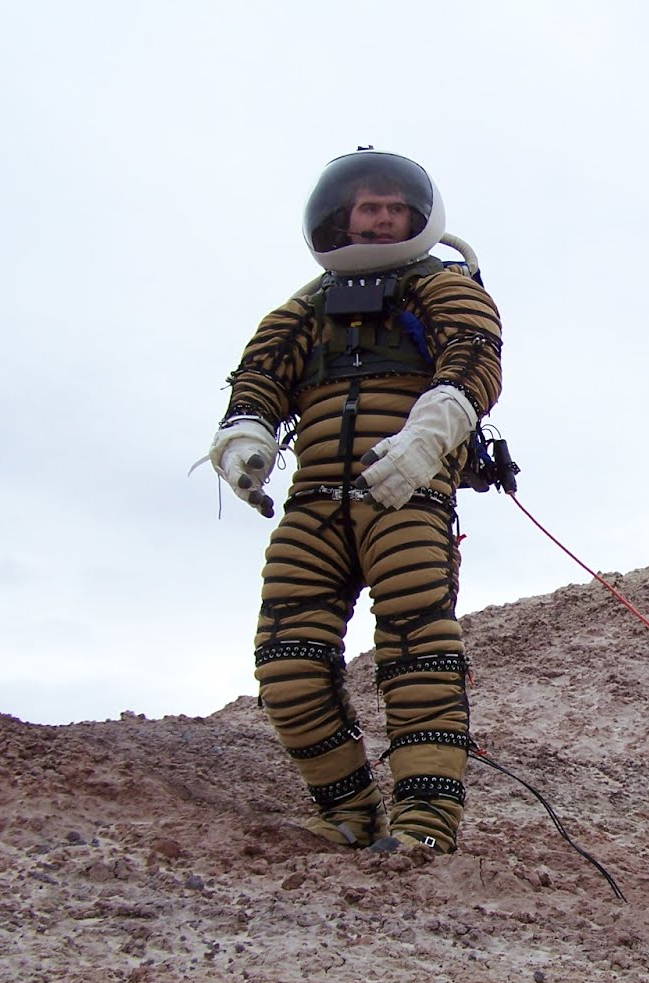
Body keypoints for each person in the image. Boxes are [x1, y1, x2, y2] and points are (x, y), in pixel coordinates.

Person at [207, 149, 503, 855]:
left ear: (416, 216)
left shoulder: (443, 286)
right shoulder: (303, 309)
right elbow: (258, 378)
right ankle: (347, 815)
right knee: (287, 661)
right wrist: (245, 436)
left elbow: (473, 358)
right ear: (344, 216)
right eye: (370, 207)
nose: (382, 218)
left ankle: (426, 829)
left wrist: (426, 441)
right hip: (312, 503)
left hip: (406, 494)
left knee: (418, 653)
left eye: (395, 208)